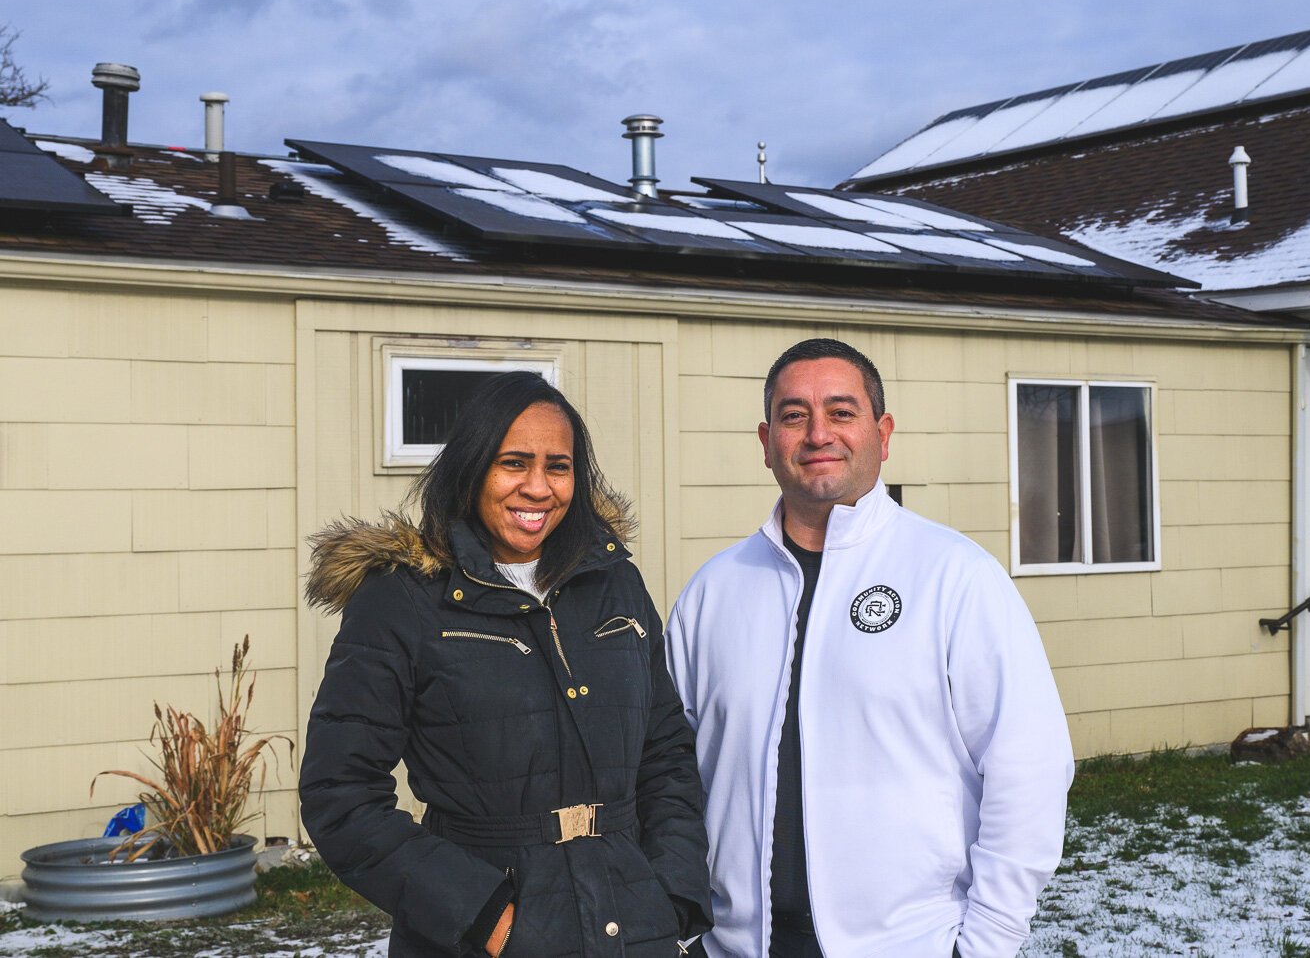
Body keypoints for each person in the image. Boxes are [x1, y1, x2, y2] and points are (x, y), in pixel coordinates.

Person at [666, 338, 1073, 958]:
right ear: (766, 440)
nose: (817, 433)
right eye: (794, 414)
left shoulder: (953, 576)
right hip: (736, 945)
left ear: (882, 434)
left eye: (842, 411)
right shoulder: (715, 591)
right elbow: (666, 772)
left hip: (910, 943)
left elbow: (1029, 767)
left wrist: (987, 942)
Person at [300, 370, 711, 958]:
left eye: (559, 466)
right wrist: (490, 919)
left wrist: (673, 893)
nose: (538, 488)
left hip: (634, 923)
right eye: (513, 462)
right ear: (471, 468)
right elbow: (338, 792)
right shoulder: (404, 599)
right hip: (486, 932)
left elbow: (665, 752)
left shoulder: (613, 581)